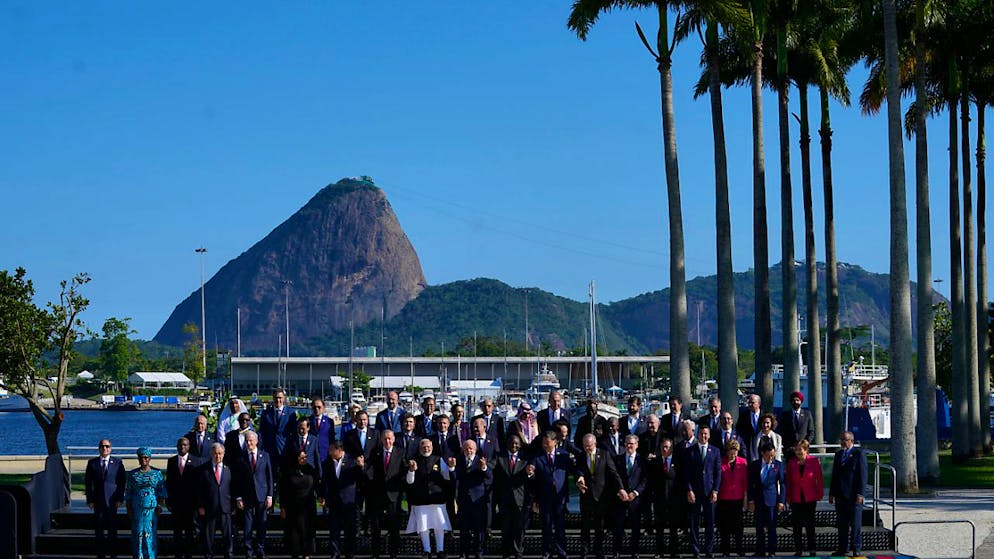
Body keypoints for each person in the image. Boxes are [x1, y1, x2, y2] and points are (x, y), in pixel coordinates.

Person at [575, 433, 622, 559]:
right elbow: (578, 470)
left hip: (601, 496)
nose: (587, 449)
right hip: (586, 495)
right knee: (585, 525)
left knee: (599, 525)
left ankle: (598, 551)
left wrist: (621, 488)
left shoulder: (604, 454)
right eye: (585, 446)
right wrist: (579, 477)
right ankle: (584, 551)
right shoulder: (580, 455)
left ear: (594, 444)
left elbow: (613, 472)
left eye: (589, 446)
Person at [528, 431, 574, 559]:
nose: (545, 445)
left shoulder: (564, 456)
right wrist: (530, 473)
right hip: (545, 498)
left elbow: (574, 470)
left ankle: (562, 551)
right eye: (543, 443)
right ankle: (546, 552)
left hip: (560, 497)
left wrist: (580, 478)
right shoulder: (537, 457)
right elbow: (532, 477)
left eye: (547, 443)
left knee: (560, 526)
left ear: (555, 442)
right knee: (547, 527)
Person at [405, 439, 452, 559]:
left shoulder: (439, 459)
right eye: (423, 446)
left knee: (439, 526)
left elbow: (446, 476)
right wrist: (411, 470)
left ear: (432, 447)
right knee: (423, 526)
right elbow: (409, 481)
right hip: (420, 499)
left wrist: (451, 467)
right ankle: (427, 550)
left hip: (437, 498)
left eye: (428, 446)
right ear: (419, 448)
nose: (426, 448)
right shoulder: (413, 460)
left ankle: (440, 550)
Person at [449, 439, 492, 559]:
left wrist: (484, 468)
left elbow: (489, 476)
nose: (469, 450)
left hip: (478, 499)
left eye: (471, 448)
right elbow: (454, 479)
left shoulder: (480, 460)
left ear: (475, 449)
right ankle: (464, 552)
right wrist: (452, 469)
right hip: (463, 500)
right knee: (464, 529)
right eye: (466, 448)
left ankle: (479, 551)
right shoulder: (459, 460)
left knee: (479, 529)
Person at [321, 441, 364, 559]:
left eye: (331, 450)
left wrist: (361, 467)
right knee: (334, 530)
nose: (329, 453)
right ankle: (335, 553)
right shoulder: (327, 463)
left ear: (339, 450)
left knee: (349, 531)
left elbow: (360, 479)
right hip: (334, 502)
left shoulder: (351, 461)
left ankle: (350, 553)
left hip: (348, 502)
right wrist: (323, 496)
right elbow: (325, 481)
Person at [85, 439, 126, 559]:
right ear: (99, 448)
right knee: (99, 529)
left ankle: (113, 553)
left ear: (111, 448)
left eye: (107, 446)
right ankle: (100, 554)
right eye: (102, 446)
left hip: (113, 501)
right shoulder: (92, 463)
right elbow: (88, 483)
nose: (104, 448)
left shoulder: (118, 463)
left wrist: (120, 499)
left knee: (112, 529)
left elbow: (122, 482)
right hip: (98, 501)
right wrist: (90, 500)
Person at [367, 430, 406, 559]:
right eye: (385, 439)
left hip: (393, 494)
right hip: (377, 495)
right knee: (376, 527)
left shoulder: (400, 452)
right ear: (381, 440)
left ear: (394, 439)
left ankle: (393, 553)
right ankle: (376, 553)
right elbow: (370, 471)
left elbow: (403, 472)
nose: (387, 441)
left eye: (389, 438)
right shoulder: (375, 453)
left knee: (393, 526)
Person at [685, 426, 721, 558]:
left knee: (710, 522)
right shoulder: (690, 451)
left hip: (710, 491)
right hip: (695, 492)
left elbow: (718, 473)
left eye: (706, 434)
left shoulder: (715, 451)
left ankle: (709, 549)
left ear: (709, 435)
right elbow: (686, 474)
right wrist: (689, 490)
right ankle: (695, 550)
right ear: (697, 434)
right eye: (701, 433)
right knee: (694, 522)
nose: (703, 436)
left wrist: (716, 490)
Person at [236, 431, 273, 559]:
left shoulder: (265, 456)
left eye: (251, 440)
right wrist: (239, 497)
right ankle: (249, 551)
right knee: (248, 524)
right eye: (246, 441)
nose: (249, 443)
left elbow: (269, 477)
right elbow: (238, 479)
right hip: (247, 496)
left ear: (256, 441)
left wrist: (270, 495)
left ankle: (260, 549)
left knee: (262, 524)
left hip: (262, 495)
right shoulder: (241, 458)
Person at [829, 431, 867, 557]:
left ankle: (856, 548)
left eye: (845, 440)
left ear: (851, 440)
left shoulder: (858, 454)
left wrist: (860, 493)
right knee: (842, 524)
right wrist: (832, 493)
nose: (842, 442)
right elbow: (834, 475)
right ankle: (842, 547)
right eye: (841, 440)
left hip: (853, 495)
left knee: (855, 524)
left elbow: (862, 475)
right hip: (840, 495)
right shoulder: (839, 454)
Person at [124, 447, 166, 559]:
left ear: (150, 458)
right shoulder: (133, 474)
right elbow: (128, 492)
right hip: (137, 509)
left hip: (152, 511)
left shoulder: (157, 474)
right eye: (141, 457)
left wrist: (160, 506)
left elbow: (161, 492)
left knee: (150, 535)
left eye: (146, 457)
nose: (143, 460)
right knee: (138, 535)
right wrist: (128, 508)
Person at [493, 434, 531, 559]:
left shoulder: (526, 459)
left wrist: (530, 474)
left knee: (519, 528)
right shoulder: (500, 458)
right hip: (505, 499)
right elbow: (496, 479)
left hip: (520, 499)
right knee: (506, 527)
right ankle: (506, 551)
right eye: (511, 443)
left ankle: (518, 551)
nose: (514, 446)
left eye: (516, 443)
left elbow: (530, 480)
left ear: (520, 444)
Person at [747, 441, 786, 557]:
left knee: (772, 527)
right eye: (768, 455)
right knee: (759, 527)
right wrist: (751, 500)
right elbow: (750, 483)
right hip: (759, 500)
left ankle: (772, 551)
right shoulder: (755, 465)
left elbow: (782, 483)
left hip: (772, 500)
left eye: (772, 455)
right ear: (762, 453)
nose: (770, 457)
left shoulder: (778, 465)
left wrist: (781, 501)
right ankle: (760, 550)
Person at [786, 439, 823, 556]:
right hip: (796, 497)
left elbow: (819, 479)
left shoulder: (814, 461)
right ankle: (798, 549)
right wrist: (788, 496)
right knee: (796, 525)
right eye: (796, 450)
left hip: (810, 497)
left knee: (810, 525)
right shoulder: (791, 463)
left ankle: (812, 549)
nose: (798, 452)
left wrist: (819, 493)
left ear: (806, 450)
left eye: (800, 449)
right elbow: (788, 481)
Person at [613, 434, 647, 559]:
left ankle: (634, 551)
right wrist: (620, 490)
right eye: (627, 443)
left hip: (635, 499)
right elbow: (614, 477)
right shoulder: (618, 459)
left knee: (635, 527)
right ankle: (617, 551)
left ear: (637, 445)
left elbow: (645, 479)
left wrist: (636, 492)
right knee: (618, 526)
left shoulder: (642, 460)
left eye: (631, 443)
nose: (629, 446)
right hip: (621, 497)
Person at [198, 443, 234, 559]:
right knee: (209, 534)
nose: (217, 456)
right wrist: (201, 506)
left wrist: (233, 506)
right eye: (215, 453)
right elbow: (200, 490)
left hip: (225, 506)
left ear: (223, 454)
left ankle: (228, 554)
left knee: (227, 534)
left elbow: (232, 488)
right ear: (211, 454)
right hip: (209, 507)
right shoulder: (204, 469)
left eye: (220, 453)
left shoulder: (228, 469)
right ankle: (209, 554)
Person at [166, 437, 200, 559]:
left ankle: (189, 554)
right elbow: (169, 482)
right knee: (177, 532)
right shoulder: (171, 461)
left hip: (191, 504)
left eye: (185, 445)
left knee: (190, 531)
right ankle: (178, 554)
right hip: (176, 503)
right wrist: (168, 500)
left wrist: (197, 503)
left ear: (189, 446)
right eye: (180, 445)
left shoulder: (196, 461)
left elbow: (198, 484)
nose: (182, 447)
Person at [280, 450, 319, 559]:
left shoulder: (310, 469)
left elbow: (316, 485)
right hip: (293, 506)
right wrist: (283, 507)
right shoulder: (288, 471)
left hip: (308, 505)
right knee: (294, 532)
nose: (304, 459)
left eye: (305, 457)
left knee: (308, 530)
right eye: (301, 457)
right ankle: (295, 553)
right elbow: (282, 490)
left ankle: (307, 554)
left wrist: (321, 497)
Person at [648, 438, 681, 558]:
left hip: (673, 500)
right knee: (659, 527)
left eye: (667, 447)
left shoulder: (677, 462)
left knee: (673, 528)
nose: (664, 449)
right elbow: (651, 481)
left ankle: (674, 551)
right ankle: (660, 551)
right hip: (659, 499)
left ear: (671, 448)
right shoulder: (655, 462)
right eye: (662, 447)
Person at [716, 439, 747, 557]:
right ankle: (725, 550)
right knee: (725, 527)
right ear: (727, 451)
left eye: (735, 451)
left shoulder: (743, 463)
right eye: (731, 451)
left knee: (738, 526)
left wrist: (745, 498)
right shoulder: (721, 462)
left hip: (738, 499)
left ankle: (739, 548)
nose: (733, 454)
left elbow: (745, 481)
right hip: (724, 499)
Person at [260, 389, 296, 483]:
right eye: (276, 398)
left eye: (280, 398)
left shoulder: (291, 413)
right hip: (270, 451)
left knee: (286, 479)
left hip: (285, 451)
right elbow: (261, 432)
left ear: (284, 398)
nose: (278, 400)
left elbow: (294, 433)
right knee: (270, 478)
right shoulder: (266, 413)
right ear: (273, 398)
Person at [778, 391, 815, 459]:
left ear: (801, 401)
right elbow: (782, 431)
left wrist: (806, 444)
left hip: (803, 450)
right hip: (790, 450)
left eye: (797, 400)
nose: (795, 402)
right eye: (793, 400)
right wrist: (787, 445)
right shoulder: (785, 415)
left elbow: (811, 431)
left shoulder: (807, 414)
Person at [309, 398, 337, 462]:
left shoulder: (329, 421)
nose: (317, 409)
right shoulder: (308, 421)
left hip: (325, 454)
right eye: (314, 407)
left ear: (323, 408)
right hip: (311, 454)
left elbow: (332, 438)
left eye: (319, 407)